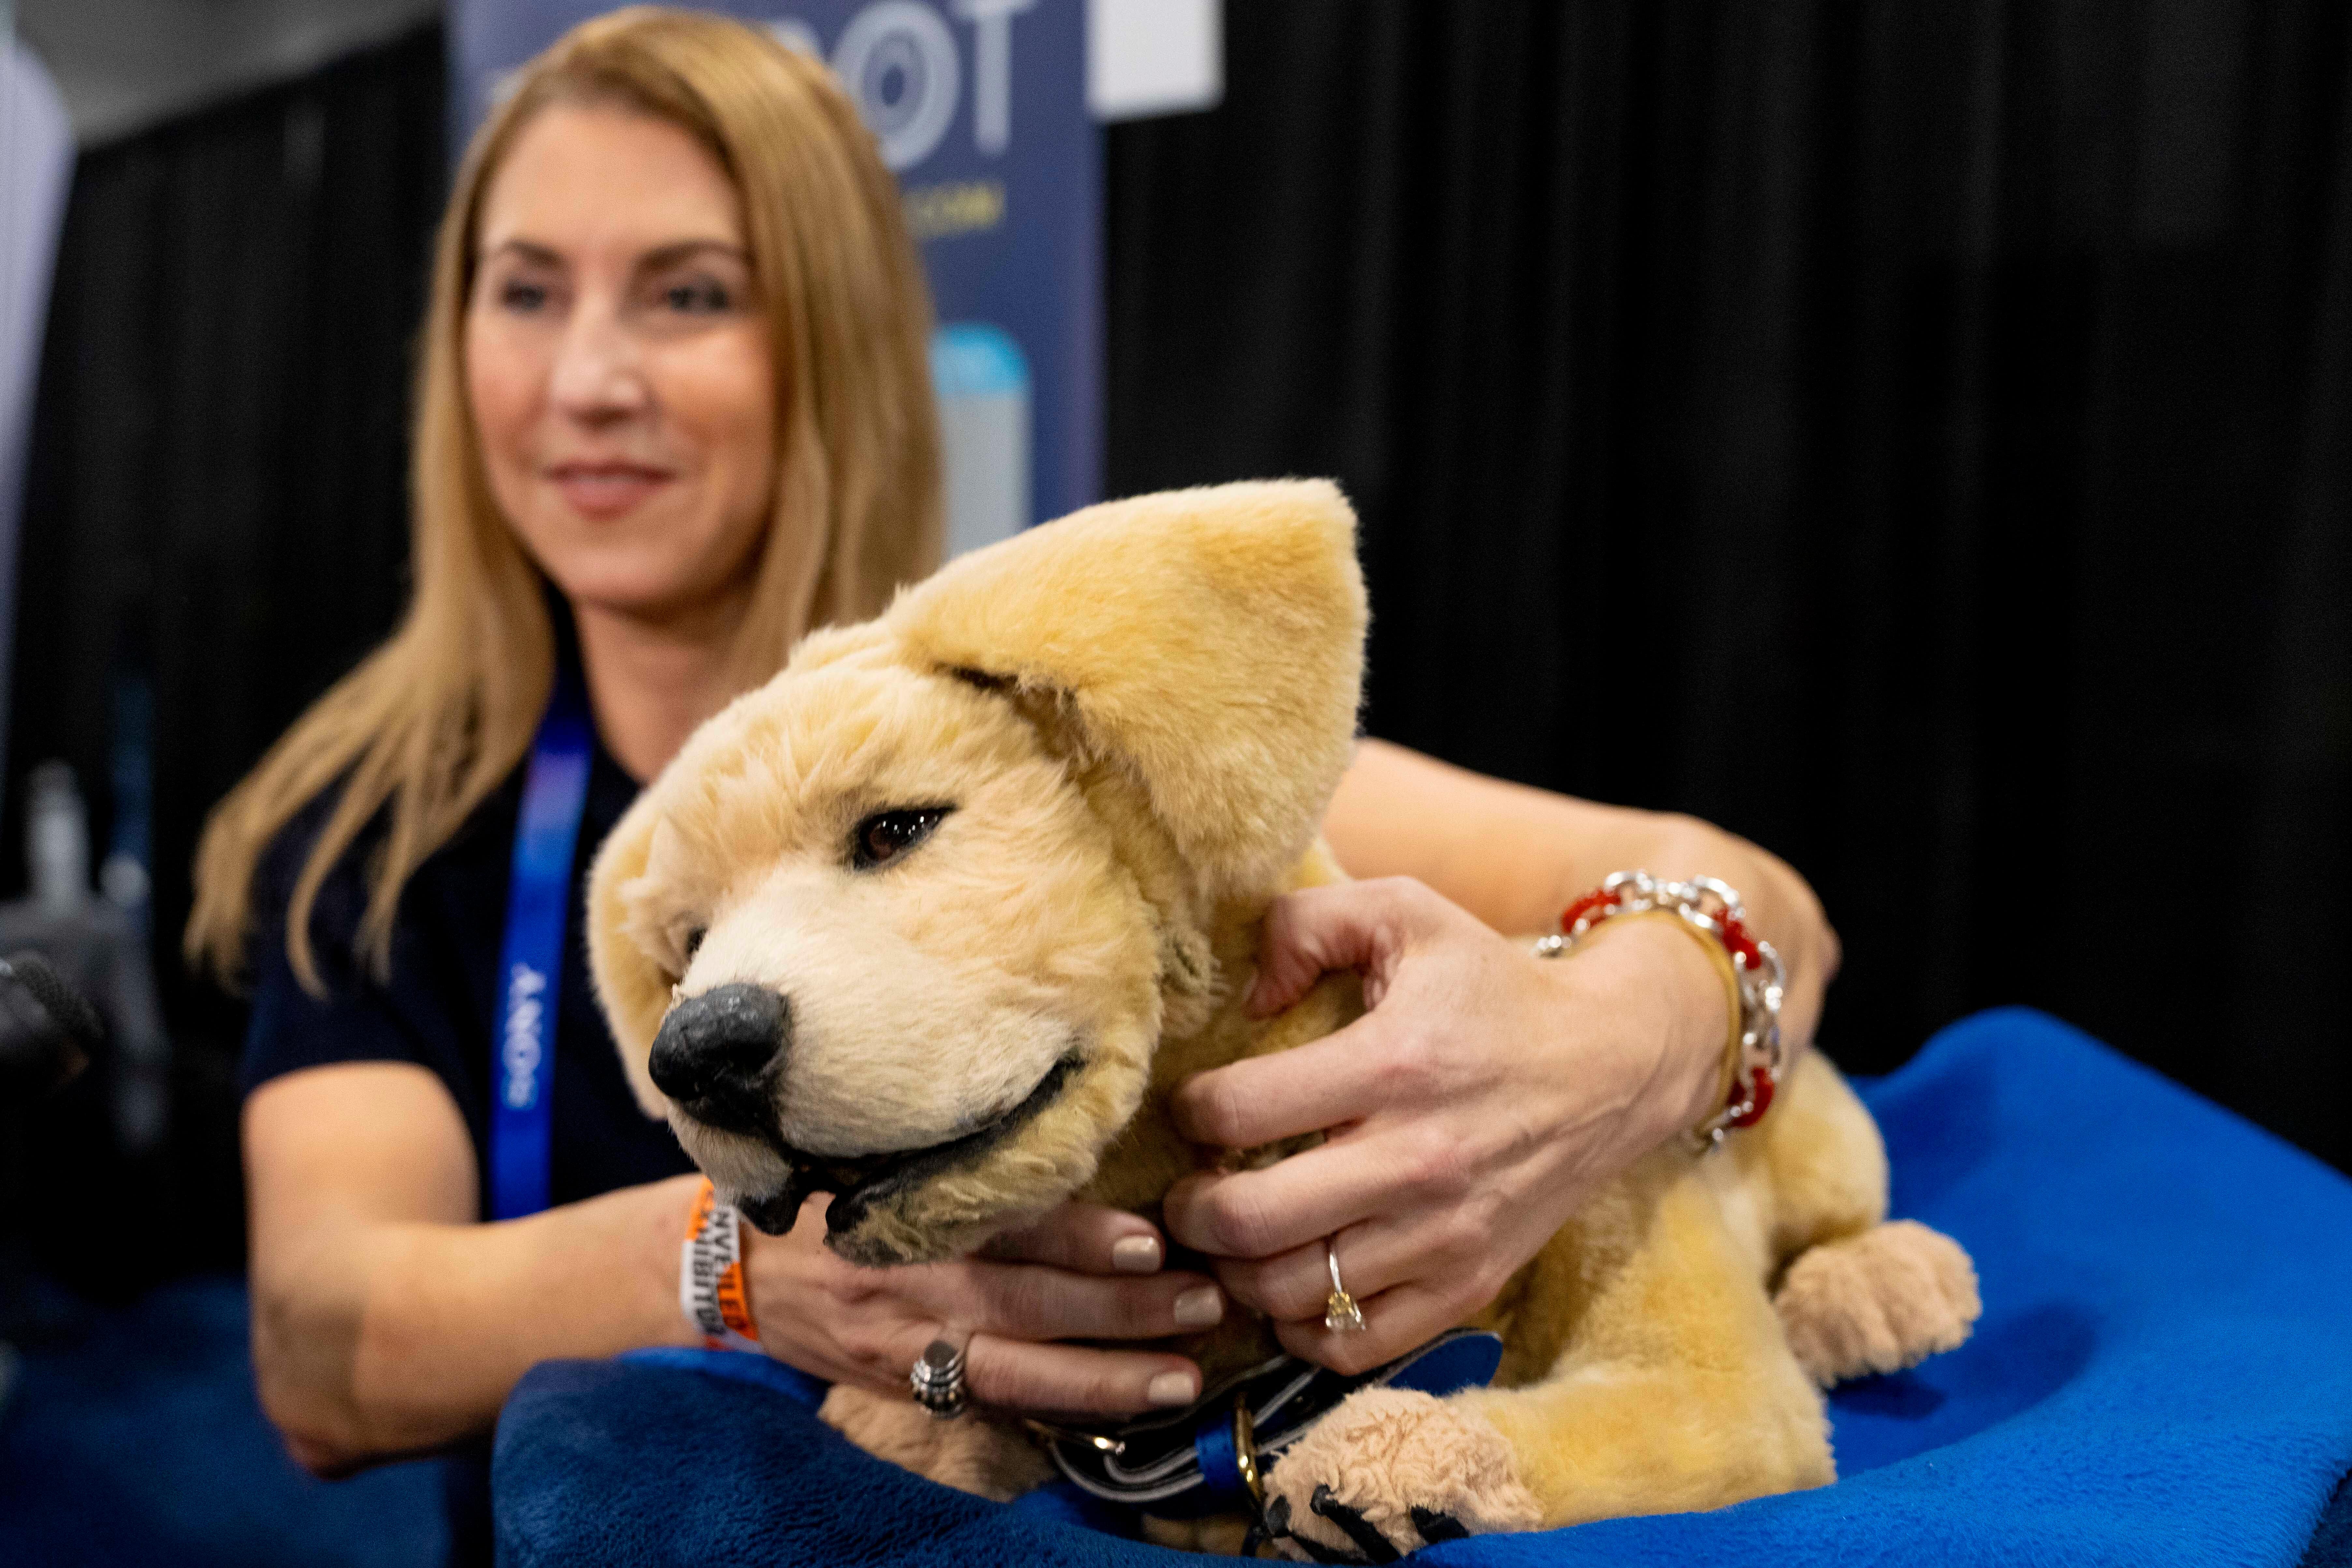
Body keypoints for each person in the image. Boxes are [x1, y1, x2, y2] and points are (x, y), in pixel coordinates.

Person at [186, 4, 1836, 1544]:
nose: (585, 378)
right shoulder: (373, 829)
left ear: (824, 339)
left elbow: (1741, 889)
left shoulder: (1035, 728)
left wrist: (1602, 1055)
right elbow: (319, 1349)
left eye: (688, 292)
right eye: (525, 288)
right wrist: (745, 1270)